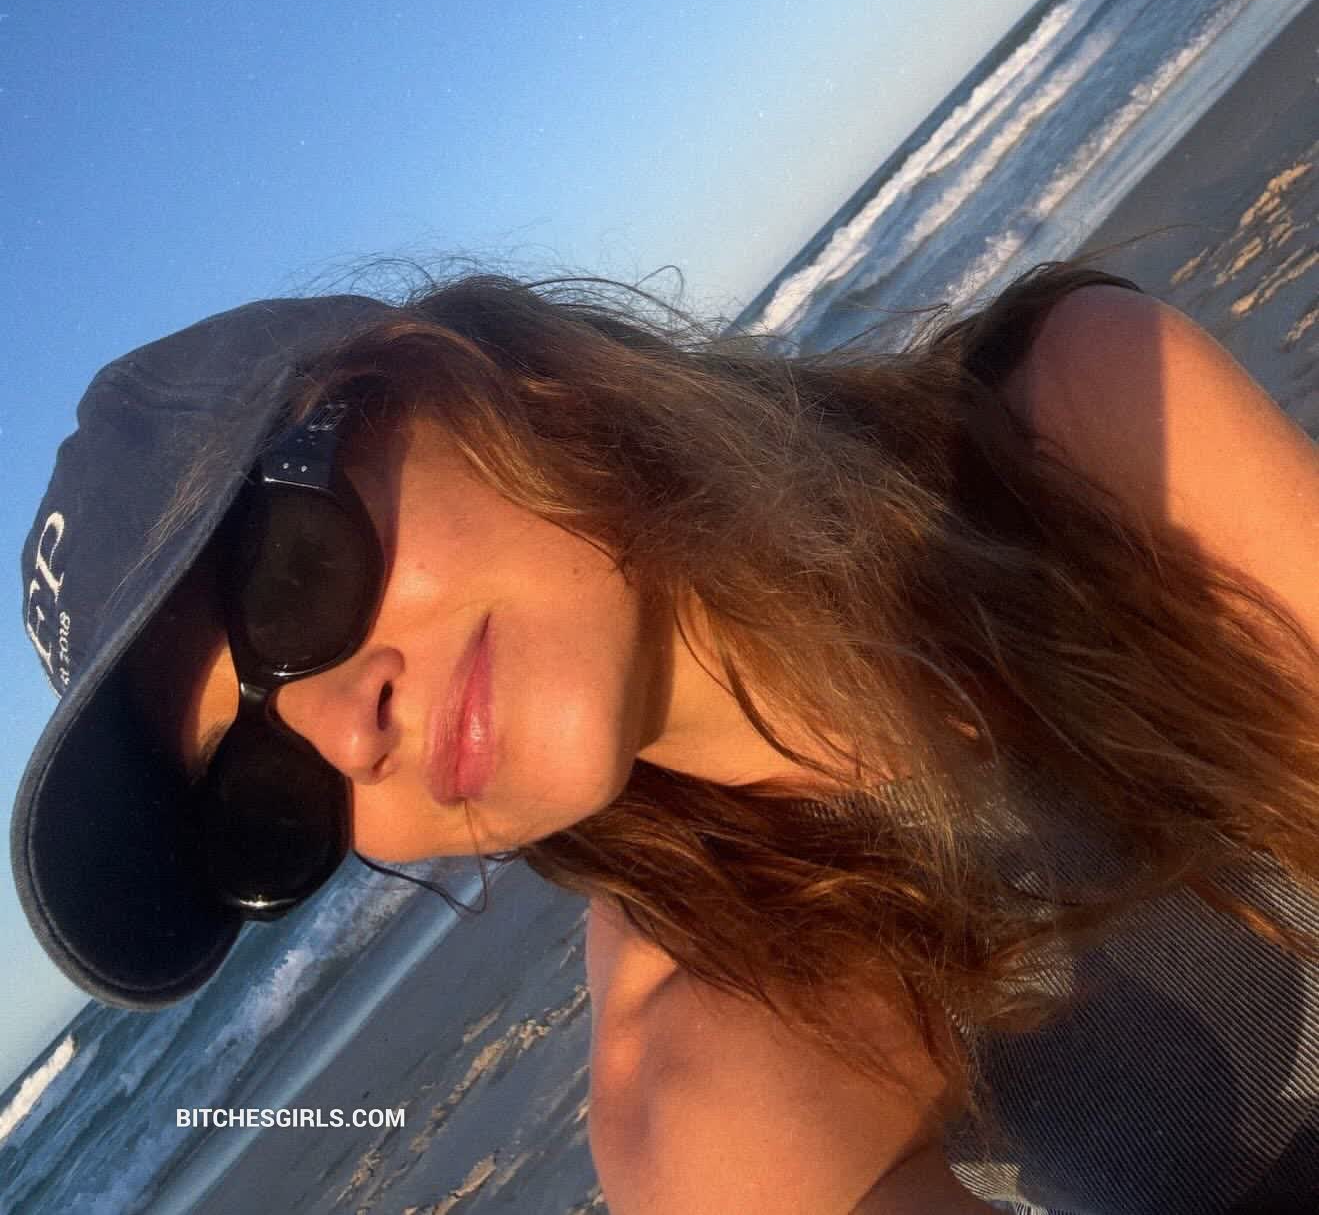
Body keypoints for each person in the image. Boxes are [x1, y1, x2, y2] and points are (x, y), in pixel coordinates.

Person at [11, 250, 1319, 1213]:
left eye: (285, 579)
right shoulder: (710, 1069)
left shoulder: (1068, 431)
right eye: (261, 786)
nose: (348, 735)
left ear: (458, 378)